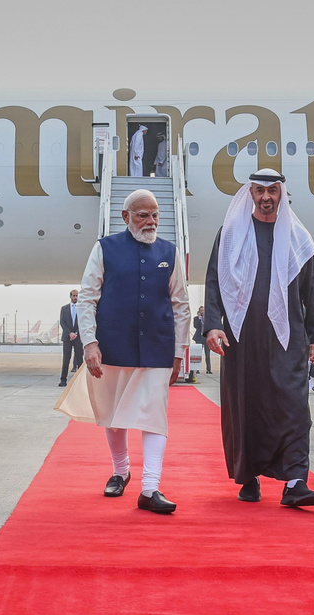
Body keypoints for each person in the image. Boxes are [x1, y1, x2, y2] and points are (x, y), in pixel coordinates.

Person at [56, 188, 190, 513]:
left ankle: (150, 487)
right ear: (126, 216)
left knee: (154, 416)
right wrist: (90, 343)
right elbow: (87, 297)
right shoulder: (105, 249)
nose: (151, 221)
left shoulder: (170, 252)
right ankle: (120, 470)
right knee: (115, 417)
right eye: (143, 214)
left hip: (157, 348)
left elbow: (181, 305)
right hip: (113, 347)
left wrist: (179, 351)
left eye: (155, 214)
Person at [204, 169, 314, 507]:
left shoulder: (297, 237)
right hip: (241, 338)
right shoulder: (231, 233)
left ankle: (296, 481)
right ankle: (249, 476)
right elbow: (214, 281)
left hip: (287, 338)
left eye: (273, 191)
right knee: (247, 405)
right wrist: (213, 325)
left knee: (294, 407)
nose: (266, 197)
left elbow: (311, 289)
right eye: (260, 191)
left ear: (282, 195)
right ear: (251, 194)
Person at [59, 289, 82, 387]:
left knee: (80, 359)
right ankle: (63, 380)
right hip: (67, 338)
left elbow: (82, 321)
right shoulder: (64, 308)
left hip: (78, 338)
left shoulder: (82, 308)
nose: (75, 297)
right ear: (70, 296)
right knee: (66, 359)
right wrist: (70, 333)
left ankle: (81, 381)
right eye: (74, 295)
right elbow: (62, 322)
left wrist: (76, 333)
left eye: (77, 296)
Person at [192, 306, 211, 373]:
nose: (202, 312)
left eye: (203, 310)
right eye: (201, 310)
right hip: (199, 338)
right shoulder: (196, 318)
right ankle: (197, 369)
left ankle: (209, 369)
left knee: (207, 354)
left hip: (206, 338)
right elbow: (196, 326)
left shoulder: (208, 319)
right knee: (198, 354)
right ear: (199, 311)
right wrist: (199, 318)